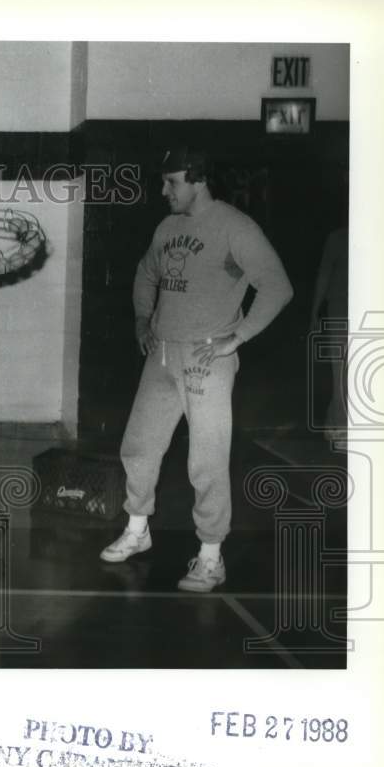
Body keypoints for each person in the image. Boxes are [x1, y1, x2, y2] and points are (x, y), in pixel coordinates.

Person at [100, 147, 294, 592]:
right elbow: (145, 273)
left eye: (172, 182)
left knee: (206, 458)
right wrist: (141, 319)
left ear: (198, 180)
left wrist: (238, 337)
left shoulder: (235, 227)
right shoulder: (167, 227)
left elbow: (277, 287)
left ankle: (210, 556)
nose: (163, 190)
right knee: (139, 445)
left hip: (208, 359)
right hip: (161, 354)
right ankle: (137, 529)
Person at [309, 226, 349, 441]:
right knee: (340, 370)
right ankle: (339, 426)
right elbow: (323, 275)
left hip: (367, 308)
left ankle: (333, 422)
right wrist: (314, 313)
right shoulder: (337, 238)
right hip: (340, 309)